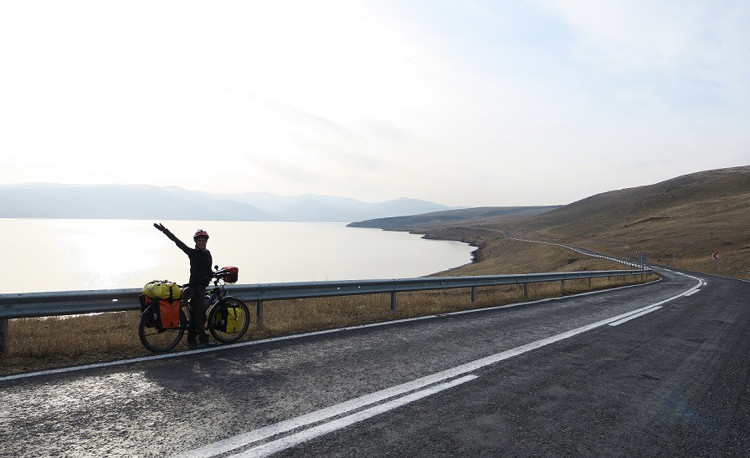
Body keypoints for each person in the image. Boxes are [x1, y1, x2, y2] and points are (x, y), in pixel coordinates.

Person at [154, 223, 214, 347]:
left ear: (206, 242)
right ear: (196, 242)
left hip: (202, 287)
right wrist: (165, 231)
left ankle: (191, 340)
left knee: (195, 315)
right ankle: (204, 339)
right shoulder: (192, 253)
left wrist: (214, 274)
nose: (202, 242)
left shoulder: (207, 253)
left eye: (204, 240)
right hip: (195, 288)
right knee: (199, 315)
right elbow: (178, 242)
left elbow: (208, 270)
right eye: (199, 241)